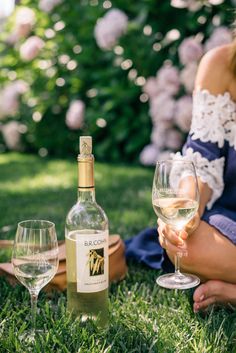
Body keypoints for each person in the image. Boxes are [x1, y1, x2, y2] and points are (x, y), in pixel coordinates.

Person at [158, 39, 236, 312]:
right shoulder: (220, 64)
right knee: (186, 247)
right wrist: (188, 207)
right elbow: (203, 160)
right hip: (230, 221)